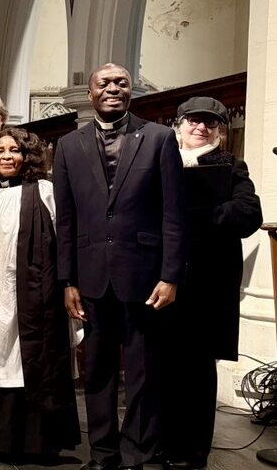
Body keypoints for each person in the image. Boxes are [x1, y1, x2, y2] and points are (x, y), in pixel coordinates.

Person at [54, 63, 186, 470]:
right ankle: (103, 452)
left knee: (143, 370)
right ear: (90, 94)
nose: (113, 88)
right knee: (97, 370)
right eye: (104, 83)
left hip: (144, 274)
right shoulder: (68, 145)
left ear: (132, 91)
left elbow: (173, 213)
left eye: (121, 83)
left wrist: (170, 274)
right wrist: (67, 280)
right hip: (91, 275)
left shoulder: (160, 139)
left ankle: (136, 453)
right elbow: (67, 218)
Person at [160, 97, 261, 470]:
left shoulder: (230, 166)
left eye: (210, 123)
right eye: (193, 121)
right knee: (161, 364)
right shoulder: (162, 160)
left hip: (205, 284)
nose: (200, 128)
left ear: (219, 131)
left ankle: (192, 451)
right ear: (179, 124)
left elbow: (249, 212)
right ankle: (159, 442)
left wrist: (193, 215)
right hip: (161, 279)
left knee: (198, 370)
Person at [0, 128, 80, 462]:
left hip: (35, 297)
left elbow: (65, 240)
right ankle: (2, 441)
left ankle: (38, 443)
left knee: (33, 360)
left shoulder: (44, 191)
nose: (6, 156)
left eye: (14, 151)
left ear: (27, 156)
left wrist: (67, 285)